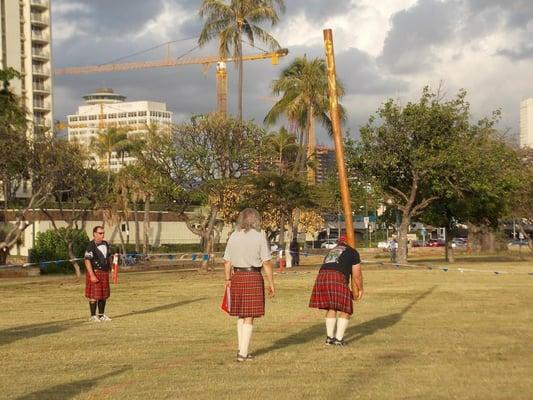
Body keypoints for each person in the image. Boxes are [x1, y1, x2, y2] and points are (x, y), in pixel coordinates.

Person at [223, 208, 275, 362]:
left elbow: (227, 261)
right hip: (252, 276)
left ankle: (242, 350)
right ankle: (243, 354)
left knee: (241, 313)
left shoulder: (233, 235)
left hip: (237, 276)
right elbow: (266, 262)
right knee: (249, 315)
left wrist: (227, 280)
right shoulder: (260, 235)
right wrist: (271, 283)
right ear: (256, 220)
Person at [309, 235, 363, 346]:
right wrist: (360, 288)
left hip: (322, 277)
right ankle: (338, 340)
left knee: (332, 307)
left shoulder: (332, 250)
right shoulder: (353, 252)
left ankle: (329, 339)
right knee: (346, 309)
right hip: (337, 277)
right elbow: (357, 275)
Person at [84, 226, 113, 322]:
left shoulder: (105, 244)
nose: (102, 235)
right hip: (95, 272)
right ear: (94, 234)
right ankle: (93, 316)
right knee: (93, 295)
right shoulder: (90, 245)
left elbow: (109, 257)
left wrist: (111, 268)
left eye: (103, 233)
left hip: (104, 272)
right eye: (100, 233)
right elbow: (87, 261)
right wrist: (92, 275)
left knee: (103, 295)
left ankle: (101, 315)